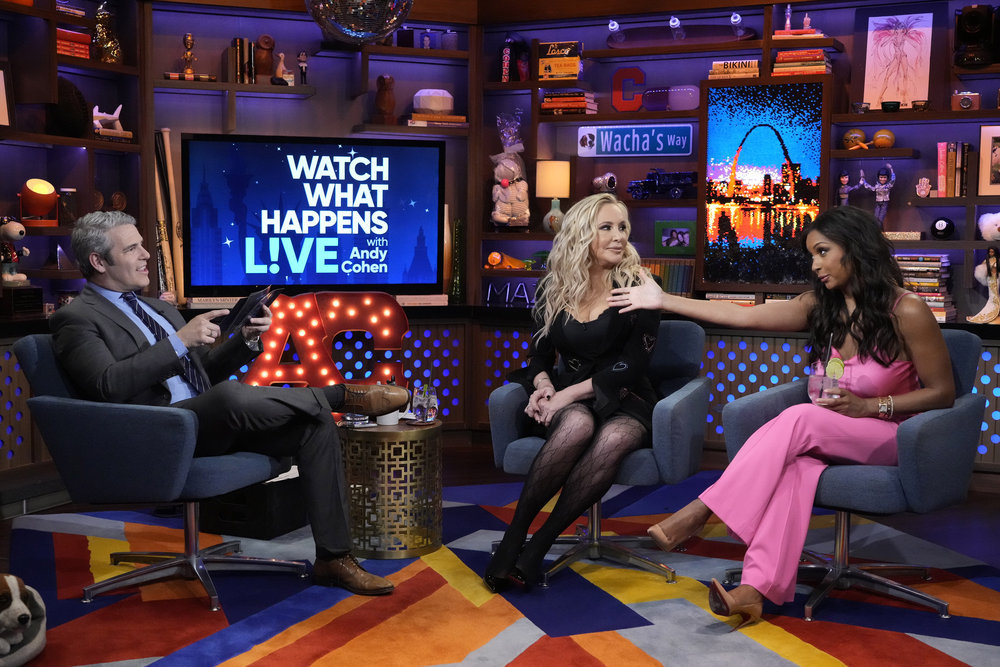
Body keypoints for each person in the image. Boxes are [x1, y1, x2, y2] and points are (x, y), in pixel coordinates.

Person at [607, 205, 954, 629]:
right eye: (811, 254)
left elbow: (942, 393)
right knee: (796, 468)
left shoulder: (909, 310)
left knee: (800, 419)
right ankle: (754, 591)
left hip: (889, 435)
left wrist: (871, 407)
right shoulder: (819, 305)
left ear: (855, 247)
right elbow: (744, 315)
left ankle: (701, 511)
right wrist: (663, 300)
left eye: (823, 251)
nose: (815, 264)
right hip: (825, 433)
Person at [50, 210, 411, 596]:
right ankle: (342, 395)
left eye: (142, 245)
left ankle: (334, 559)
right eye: (132, 248)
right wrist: (180, 341)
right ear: (99, 261)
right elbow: (108, 385)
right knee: (230, 395)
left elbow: (202, 371)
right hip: (154, 434)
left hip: (208, 423)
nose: (146, 256)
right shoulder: (76, 318)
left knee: (313, 424)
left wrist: (246, 340)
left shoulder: (158, 309)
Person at [483, 193, 661, 592]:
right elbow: (538, 354)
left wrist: (564, 395)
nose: (619, 237)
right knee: (577, 423)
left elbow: (632, 366)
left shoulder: (643, 286)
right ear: (582, 234)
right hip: (574, 399)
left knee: (613, 435)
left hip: (628, 399)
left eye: (623, 227)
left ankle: (538, 547)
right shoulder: (555, 286)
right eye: (606, 227)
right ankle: (514, 539)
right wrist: (544, 386)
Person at [967, 246, 1000, 323]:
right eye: (990, 252)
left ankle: (996, 311)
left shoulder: (998, 260)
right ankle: (991, 312)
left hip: (997, 278)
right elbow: (982, 269)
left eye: (992, 252)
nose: (991, 253)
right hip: (990, 279)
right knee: (992, 295)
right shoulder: (986, 261)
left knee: (996, 295)